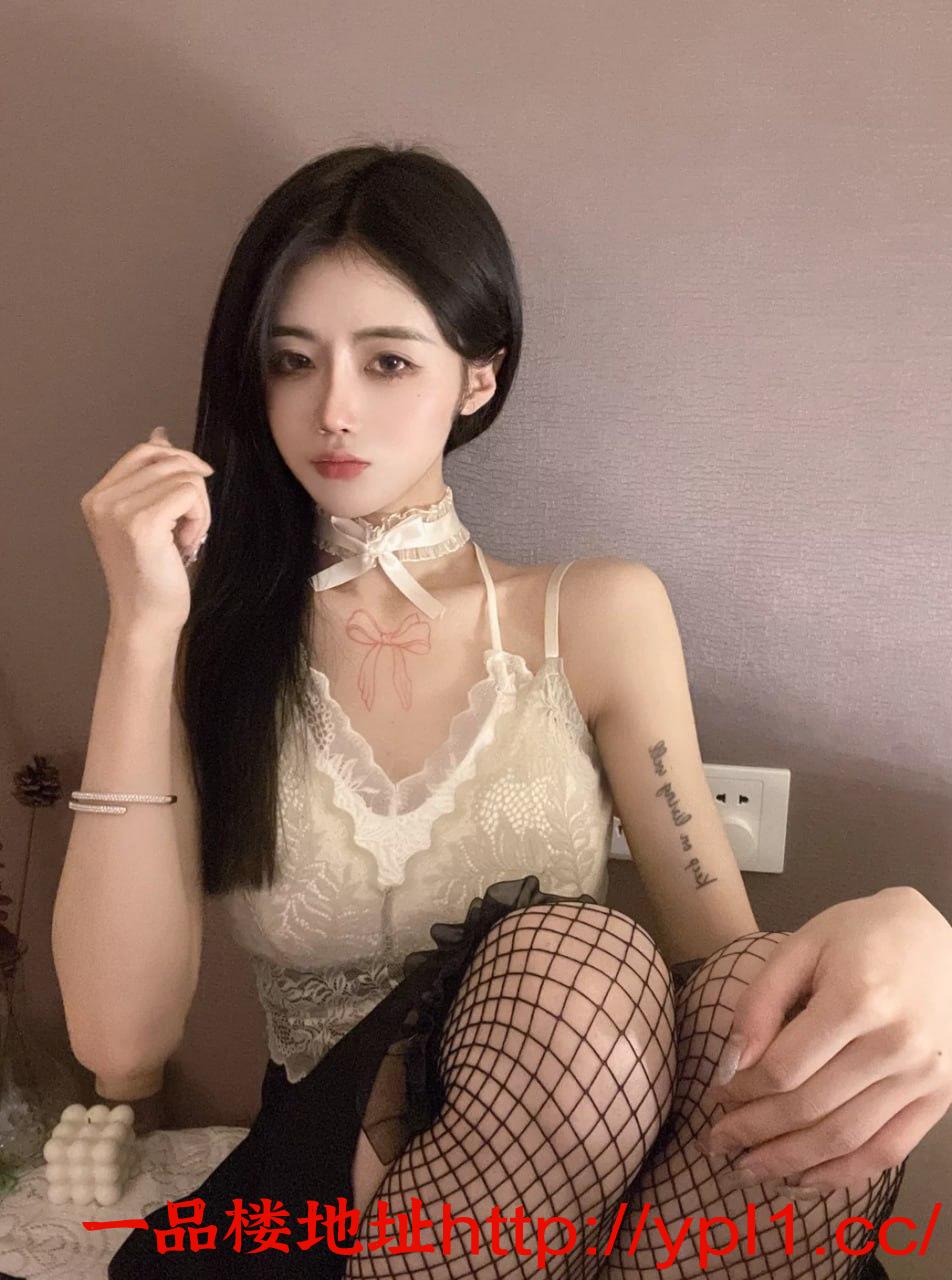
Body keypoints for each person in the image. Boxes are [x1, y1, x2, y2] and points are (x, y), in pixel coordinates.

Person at [51, 144, 947, 1278]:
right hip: (339, 1175)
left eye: (387, 360)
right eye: (292, 360)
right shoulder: (211, 638)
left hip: (584, 1141)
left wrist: (911, 935)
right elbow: (121, 1045)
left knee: (745, 1019)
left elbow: (726, 973)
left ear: (477, 378)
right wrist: (141, 629)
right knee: (576, 963)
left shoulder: (595, 614)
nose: (333, 409)